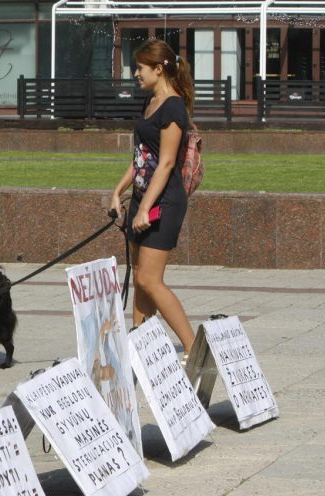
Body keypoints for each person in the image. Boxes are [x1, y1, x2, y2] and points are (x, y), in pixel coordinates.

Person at [110, 38, 196, 363]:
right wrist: (118, 191)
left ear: (159, 69)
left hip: (165, 203)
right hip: (142, 201)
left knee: (149, 278)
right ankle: (140, 343)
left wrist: (146, 207)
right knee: (140, 275)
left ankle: (192, 346)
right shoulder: (149, 103)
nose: (135, 73)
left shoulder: (173, 107)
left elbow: (167, 163)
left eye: (141, 68)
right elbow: (141, 159)